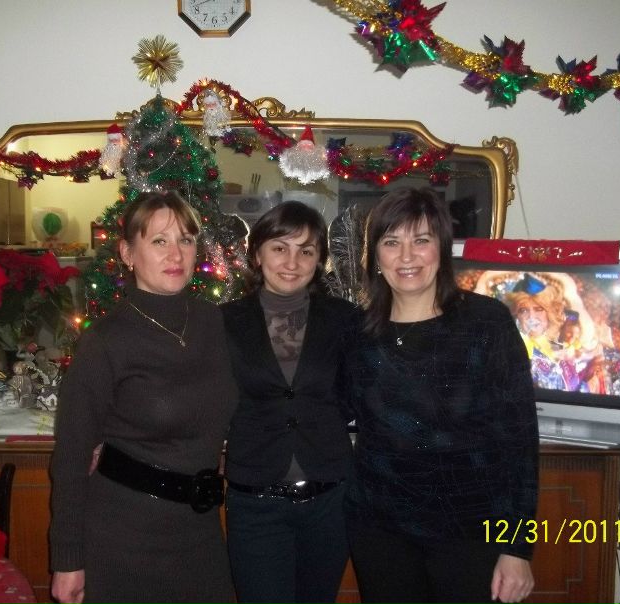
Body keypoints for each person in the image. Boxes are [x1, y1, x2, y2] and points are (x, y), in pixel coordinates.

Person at [345, 188, 539, 604]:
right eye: (391, 242)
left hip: (472, 535)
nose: (407, 256)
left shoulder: (487, 323)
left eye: (421, 240)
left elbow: (520, 441)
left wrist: (518, 547)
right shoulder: (358, 333)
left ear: (442, 249)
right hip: (380, 533)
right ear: (375, 255)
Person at [49, 191, 238, 604]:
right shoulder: (105, 340)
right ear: (127, 253)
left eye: (186, 240)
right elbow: (71, 456)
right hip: (125, 538)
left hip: (201, 535)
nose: (176, 254)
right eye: (159, 241)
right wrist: (67, 560)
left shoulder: (213, 322)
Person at [221, 201, 358, 604]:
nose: (292, 262)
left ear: (319, 260)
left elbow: (357, 394)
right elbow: (207, 398)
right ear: (257, 254)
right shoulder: (223, 321)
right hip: (255, 501)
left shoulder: (346, 319)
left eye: (306, 250)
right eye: (280, 248)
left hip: (329, 500)